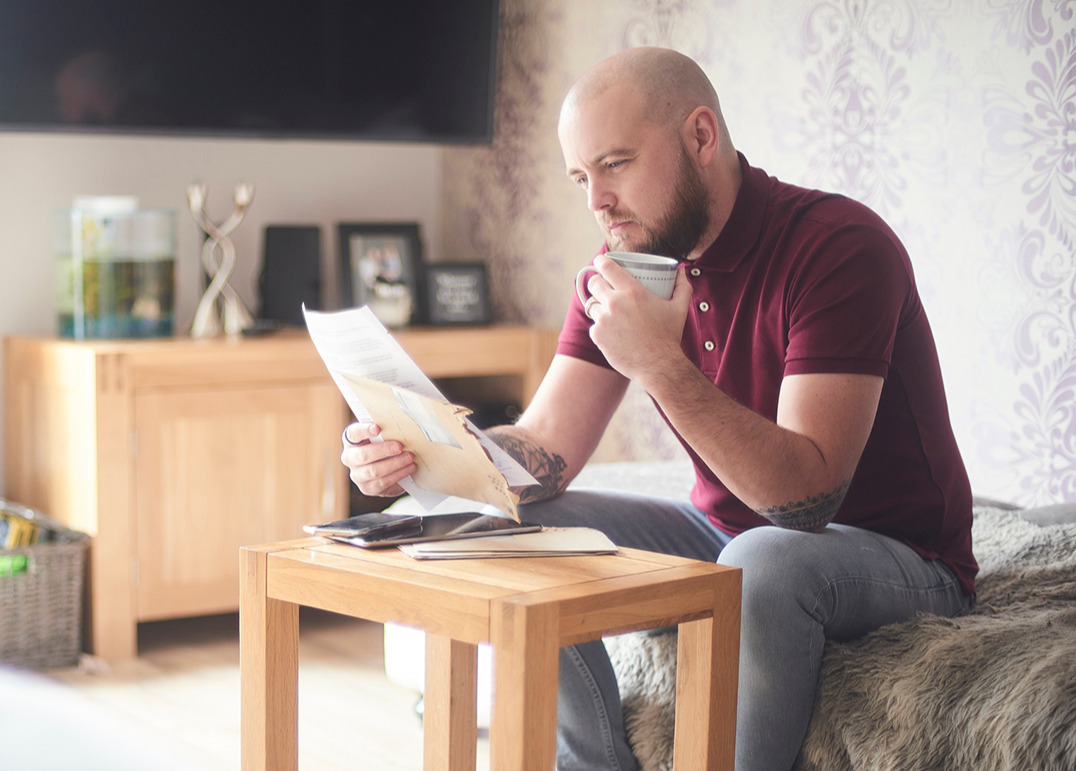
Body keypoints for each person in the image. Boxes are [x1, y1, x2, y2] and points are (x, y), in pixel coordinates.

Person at [340, 47, 976, 770]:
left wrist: (659, 365)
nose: (596, 202)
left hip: (897, 553)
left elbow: (805, 502)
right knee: (502, 526)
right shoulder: (620, 268)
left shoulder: (839, 248)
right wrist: (431, 454)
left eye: (615, 164)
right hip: (725, 532)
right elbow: (548, 442)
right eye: (582, 176)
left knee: (764, 559)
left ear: (701, 137)